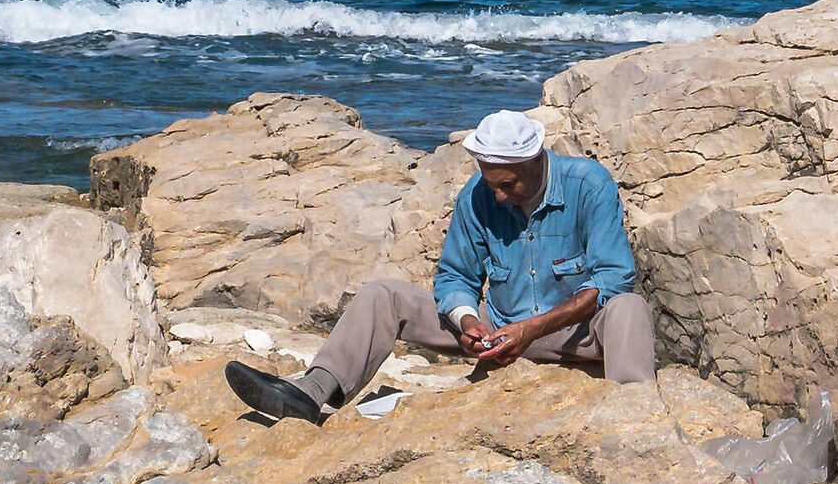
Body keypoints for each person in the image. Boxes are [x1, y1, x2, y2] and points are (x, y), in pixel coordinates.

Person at [223, 109, 656, 425]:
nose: (500, 196)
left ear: (537, 160)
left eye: (509, 184)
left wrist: (533, 329)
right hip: (503, 329)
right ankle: (312, 393)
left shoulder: (588, 184)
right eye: (493, 185)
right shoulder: (478, 194)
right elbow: (455, 277)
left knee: (629, 306)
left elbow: (611, 281)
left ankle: (635, 417)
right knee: (384, 295)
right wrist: (468, 321)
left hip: (573, 336)